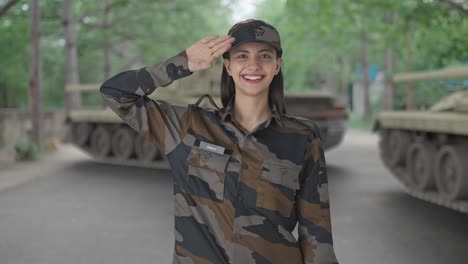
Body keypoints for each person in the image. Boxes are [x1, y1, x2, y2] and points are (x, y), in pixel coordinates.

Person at [101, 19, 339, 264]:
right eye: (242, 56)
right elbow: (115, 93)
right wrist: (183, 63)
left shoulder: (302, 137)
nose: (253, 65)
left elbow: (317, 233)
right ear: (228, 66)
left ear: (277, 66)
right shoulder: (187, 126)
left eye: (265, 56)